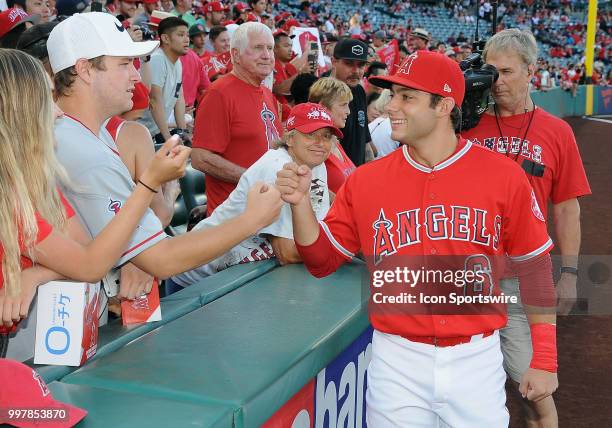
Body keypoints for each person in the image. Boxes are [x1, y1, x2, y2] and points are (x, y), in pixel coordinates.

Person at [276, 50, 558, 426]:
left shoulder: (503, 176)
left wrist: (544, 359)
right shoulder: (366, 180)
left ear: (444, 106)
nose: (391, 106)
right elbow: (322, 260)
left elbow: (535, 266)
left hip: (475, 360)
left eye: (407, 97)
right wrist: (299, 206)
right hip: (397, 361)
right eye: (393, 95)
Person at [48, 12, 282, 311]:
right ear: (84, 69)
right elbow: (163, 258)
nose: (136, 75)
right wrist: (252, 219)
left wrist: (133, 255)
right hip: (51, 339)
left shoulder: (85, 135)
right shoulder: (82, 149)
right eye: (124, 64)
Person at [0, 49, 188, 351]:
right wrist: (149, 183)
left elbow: (90, 252)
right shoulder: (8, 196)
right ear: (19, 110)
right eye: (46, 99)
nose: (58, 112)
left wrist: (36, 273)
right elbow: (90, 264)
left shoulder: (30, 182)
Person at [462, 29, 591, 428]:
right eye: (491, 72)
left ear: (531, 71)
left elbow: (567, 210)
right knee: (460, 389)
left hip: (523, 279)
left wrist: (569, 275)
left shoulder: (557, 132)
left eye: (507, 72)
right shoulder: (465, 124)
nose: (497, 82)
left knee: (534, 390)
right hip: (464, 276)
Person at [171, 103, 340, 287]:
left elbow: (316, 233)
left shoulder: (317, 166)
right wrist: (340, 246)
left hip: (243, 275)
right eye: (310, 135)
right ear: (290, 139)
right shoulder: (278, 168)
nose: (320, 143)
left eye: (326, 136)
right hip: (195, 277)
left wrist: (329, 244)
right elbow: (286, 252)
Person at [191, 21, 282, 216]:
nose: (267, 55)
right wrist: (254, 180)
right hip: (233, 218)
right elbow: (200, 158)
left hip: (266, 212)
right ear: (235, 55)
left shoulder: (266, 93)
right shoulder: (219, 93)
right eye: (258, 48)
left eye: (270, 48)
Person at [139, 16, 189, 144]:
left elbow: (179, 98)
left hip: (156, 130)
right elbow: (154, 101)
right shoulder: (157, 59)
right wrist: (168, 139)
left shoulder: (177, 62)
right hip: (141, 130)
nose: (186, 39)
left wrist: (182, 133)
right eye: (181, 35)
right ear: (165, 38)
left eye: (187, 35)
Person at [307, 77, 356, 196]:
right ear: (323, 108)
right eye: (343, 105)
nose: (348, 111)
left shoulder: (334, 141)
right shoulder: (314, 147)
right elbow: (312, 191)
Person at [330, 38, 373, 166]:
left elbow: (364, 139)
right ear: (334, 62)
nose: (356, 71)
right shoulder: (324, 94)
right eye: (349, 64)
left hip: (357, 176)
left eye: (361, 65)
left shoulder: (359, 91)